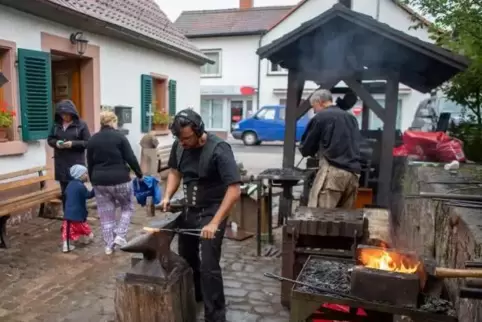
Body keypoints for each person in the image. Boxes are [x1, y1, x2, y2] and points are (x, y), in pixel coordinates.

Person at [161, 109, 241, 322]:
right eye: (179, 138)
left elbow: (234, 190)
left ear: (199, 131)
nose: (183, 142)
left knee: (209, 265)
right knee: (187, 258)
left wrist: (215, 223)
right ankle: (194, 296)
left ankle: (215, 315)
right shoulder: (180, 146)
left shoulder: (219, 149)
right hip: (189, 209)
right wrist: (167, 196)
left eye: (187, 138)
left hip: (213, 211)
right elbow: (175, 172)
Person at [86, 111, 143, 255]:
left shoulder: (93, 139)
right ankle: (120, 235)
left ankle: (108, 246)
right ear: (112, 121)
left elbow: (90, 162)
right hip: (120, 179)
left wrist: (93, 180)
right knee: (127, 207)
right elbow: (130, 157)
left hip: (100, 181)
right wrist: (139, 174)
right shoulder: (120, 137)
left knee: (106, 214)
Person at [299, 89, 362, 209]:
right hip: (353, 175)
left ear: (320, 102)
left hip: (333, 174)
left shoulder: (321, 117)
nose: (314, 110)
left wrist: (307, 149)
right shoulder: (351, 118)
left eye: (314, 107)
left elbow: (306, 148)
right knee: (344, 219)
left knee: (321, 216)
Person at [47, 100, 91, 210]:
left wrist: (72, 144)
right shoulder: (56, 125)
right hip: (61, 163)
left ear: (73, 113)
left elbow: (88, 142)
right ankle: (68, 219)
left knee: (76, 191)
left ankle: (79, 218)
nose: (64, 117)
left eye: (67, 114)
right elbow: (50, 139)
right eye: (62, 114)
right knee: (65, 193)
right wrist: (56, 143)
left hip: (76, 164)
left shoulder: (81, 125)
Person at [62, 164, 95, 253]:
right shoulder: (80, 186)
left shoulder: (70, 184)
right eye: (85, 174)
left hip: (68, 213)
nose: (87, 176)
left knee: (67, 230)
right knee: (83, 227)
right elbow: (88, 195)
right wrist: (95, 188)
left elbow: (65, 194)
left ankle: (66, 245)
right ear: (79, 175)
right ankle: (89, 236)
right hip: (78, 213)